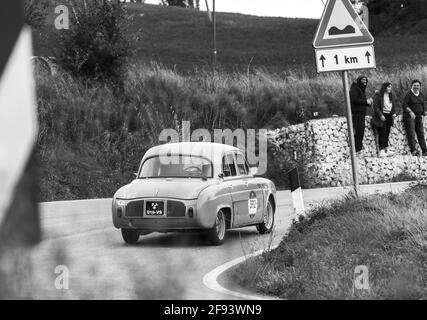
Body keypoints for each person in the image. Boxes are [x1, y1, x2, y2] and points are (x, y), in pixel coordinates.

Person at [372, 82, 397, 157]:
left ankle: (386, 148)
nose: (390, 89)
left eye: (390, 87)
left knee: (387, 132)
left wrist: (393, 113)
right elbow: (376, 107)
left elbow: (393, 105)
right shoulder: (379, 95)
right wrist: (380, 115)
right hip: (382, 116)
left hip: (389, 116)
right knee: (382, 133)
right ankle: (381, 150)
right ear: (385, 87)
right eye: (388, 87)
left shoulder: (390, 95)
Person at [402, 80, 427, 156]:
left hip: (419, 116)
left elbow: (423, 104)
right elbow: (404, 105)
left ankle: (424, 150)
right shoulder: (409, 94)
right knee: (411, 133)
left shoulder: (421, 94)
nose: (416, 87)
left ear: (420, 86)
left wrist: (424, 112)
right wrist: (410, 112)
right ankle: (413, 150)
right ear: (411, 86)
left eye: (417, 85)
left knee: (421, 133)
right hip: (410, 117)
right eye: (414, 85)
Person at [350, 75, 373, 157]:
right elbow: (354, 100)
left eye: (366, 81)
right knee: (358, 132)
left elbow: (361, 101)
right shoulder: (355, 89)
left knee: (361, 131)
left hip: (361, 114)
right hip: (357, 114)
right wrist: (366, 102)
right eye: (363, 80)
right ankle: (356, 150)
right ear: (359, 80)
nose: (365, 82)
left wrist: (367, 103)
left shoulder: (361, 89)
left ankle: (358, 149)